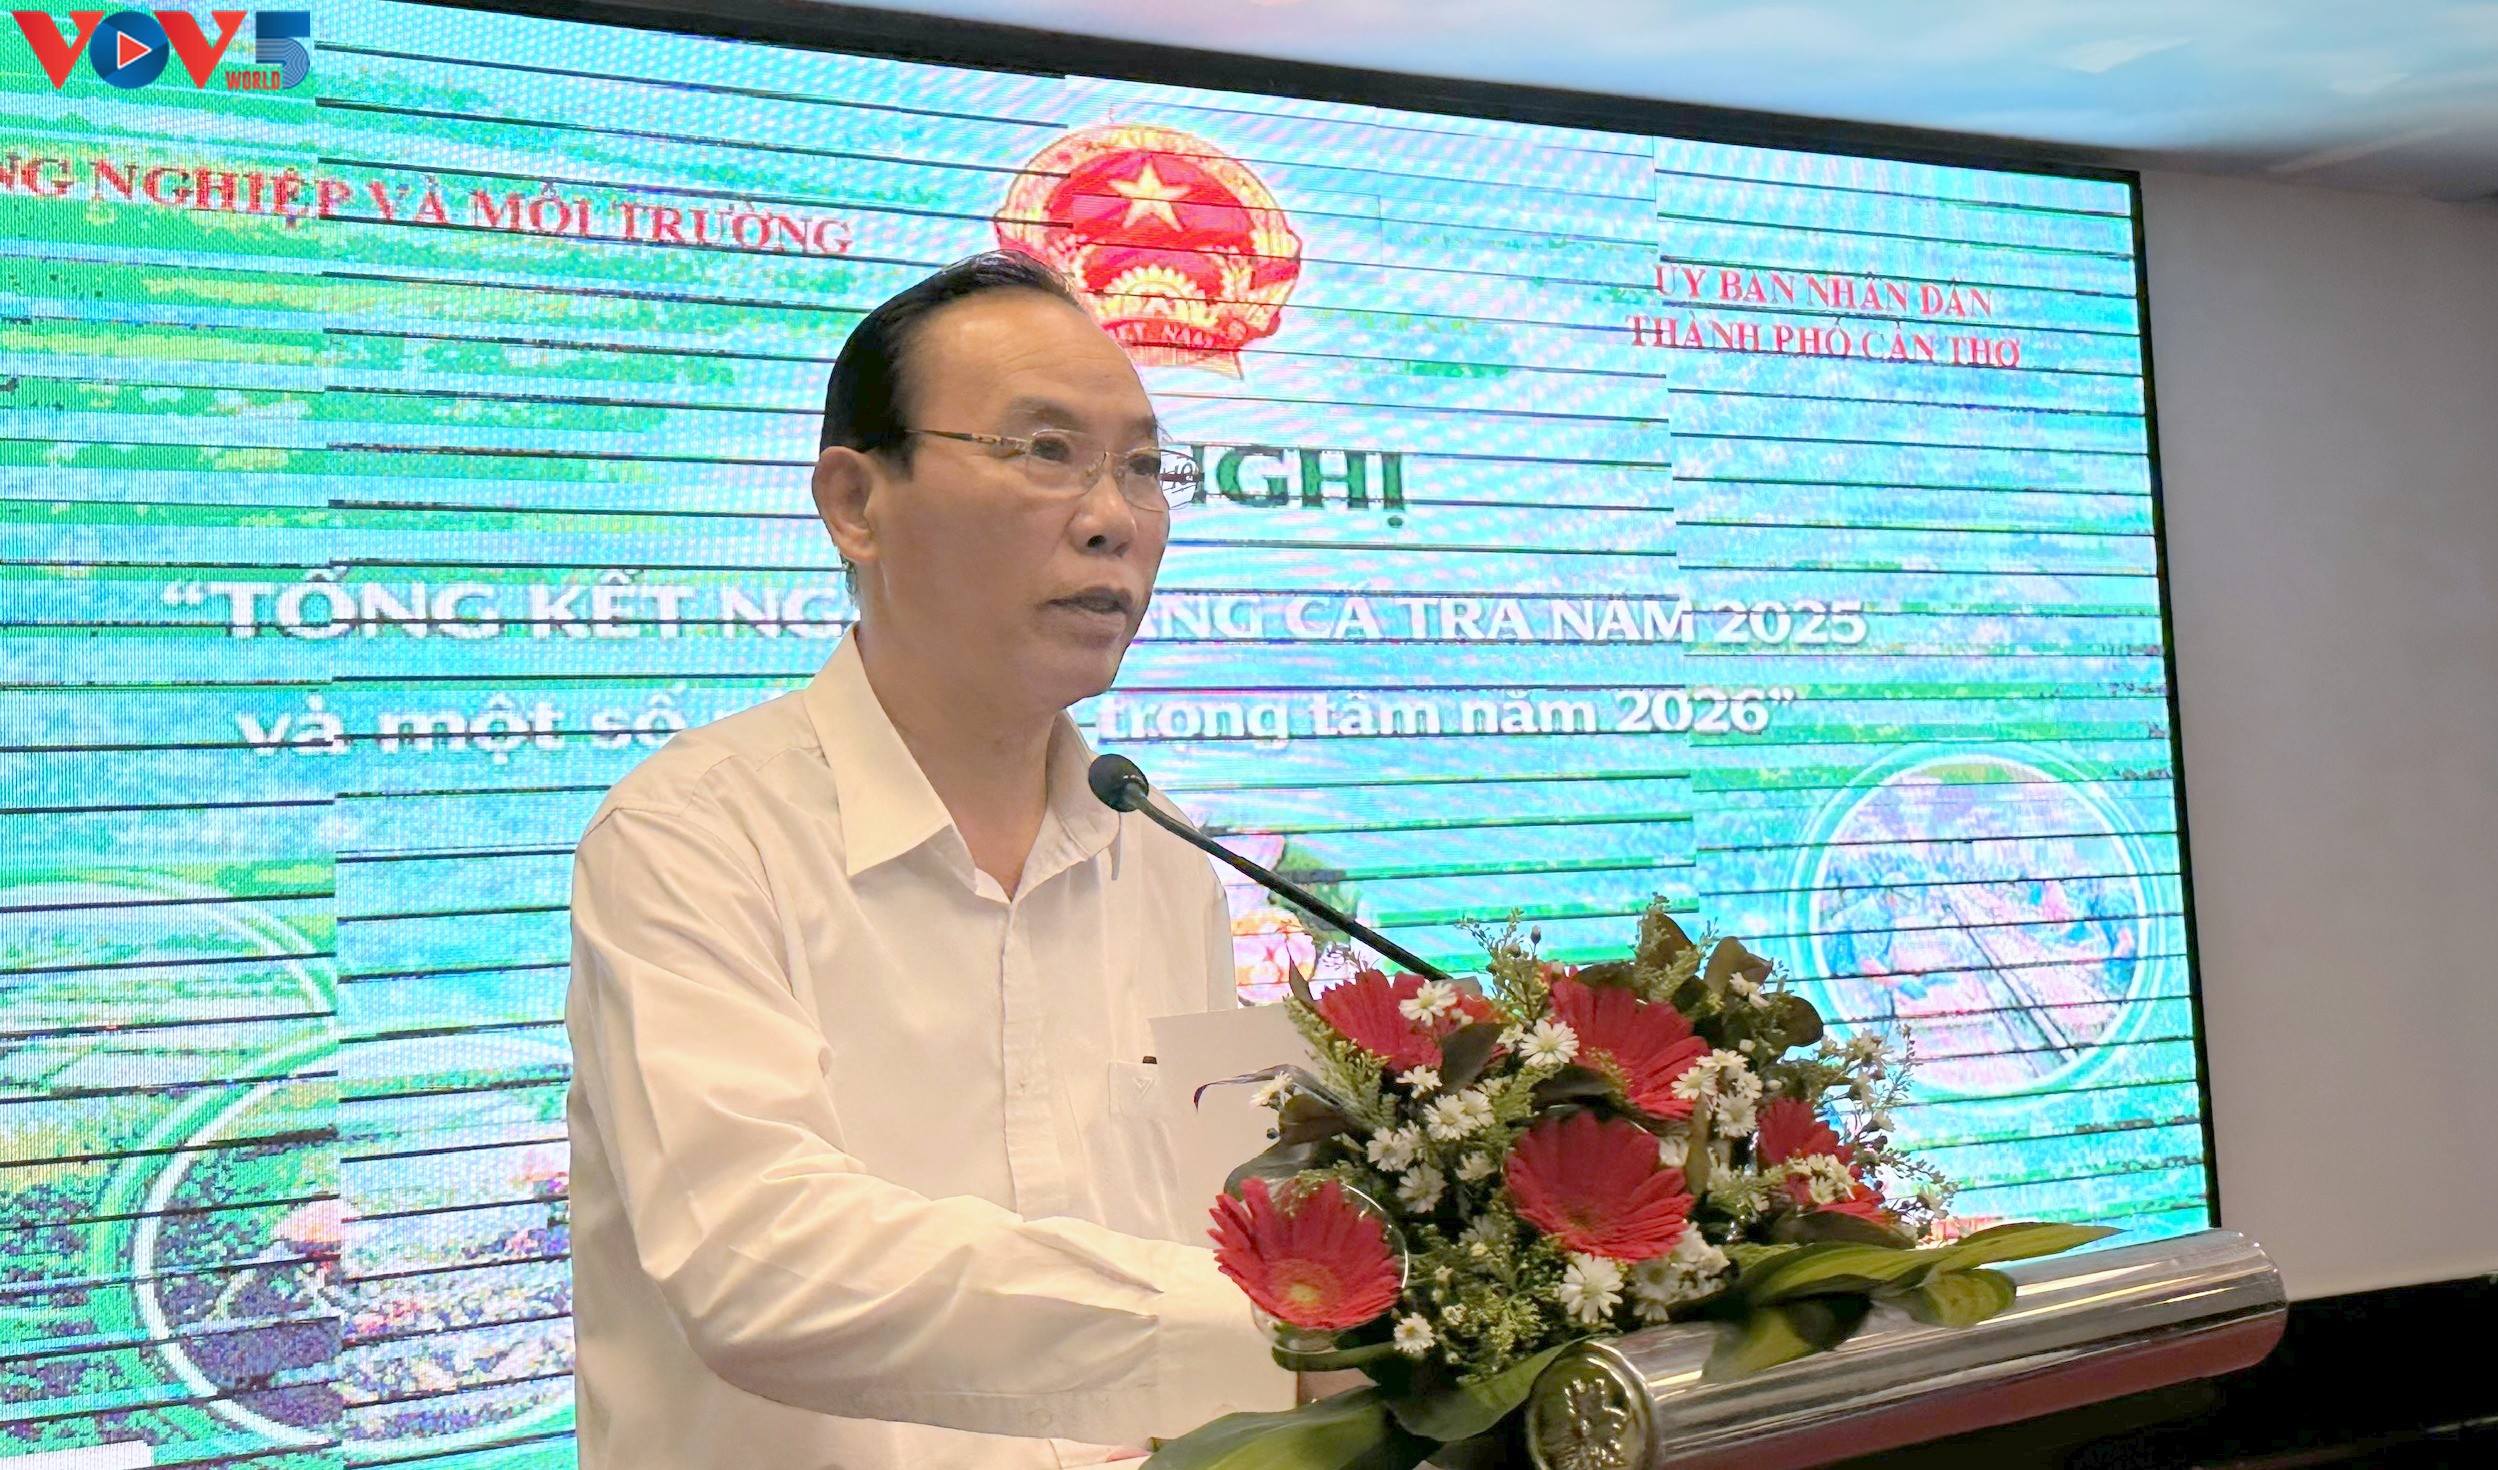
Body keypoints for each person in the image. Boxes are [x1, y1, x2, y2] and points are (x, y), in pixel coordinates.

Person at [564, 252, 1293, 1468]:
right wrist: (1281, 1343)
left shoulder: (1158, 856)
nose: (1112, 518)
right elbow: (761, 1265)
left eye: (1142, 468)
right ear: (856, 502)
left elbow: (1199, 1233)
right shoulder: (692, 836)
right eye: (1044, 452)